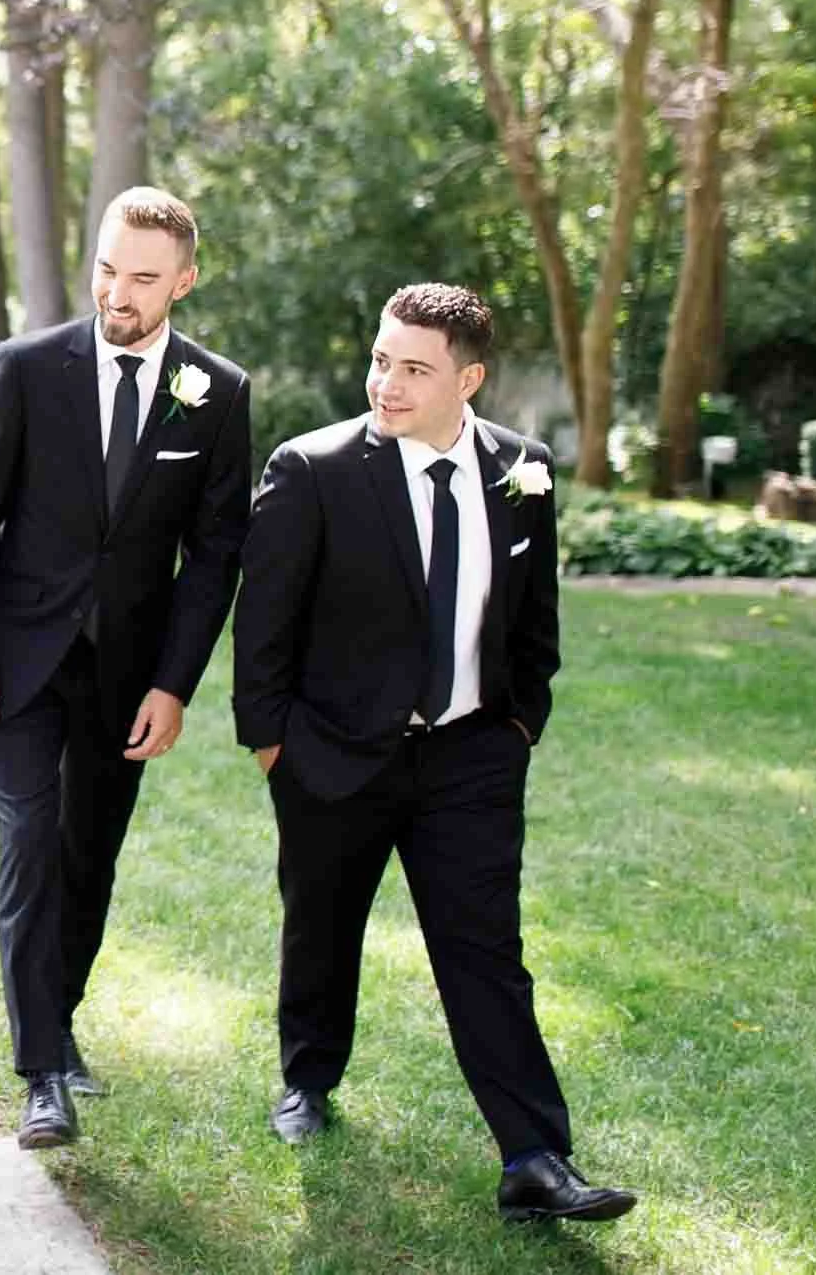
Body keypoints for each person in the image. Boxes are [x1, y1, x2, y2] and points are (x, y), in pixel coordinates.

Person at [232, 283, 636, 1224]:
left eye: (415, 368)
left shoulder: (522, 468)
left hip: (469, 758)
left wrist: (518, 727)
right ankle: (309, 1079)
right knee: (322, 924)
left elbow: (535, 626)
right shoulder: (314, 468)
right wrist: (274, 748)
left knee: (487, 950)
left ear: (470, 377)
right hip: (333, 754)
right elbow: (264, 628)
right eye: (382, 359)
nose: (389, 382)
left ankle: (534, 1156)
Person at [0, 187, 251, 1148]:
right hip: (20, 657)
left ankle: (59, 1022)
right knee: (31, 839)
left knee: (89, 855)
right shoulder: (28, 367)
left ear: (184, 283)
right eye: (109, 268)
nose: (119, 289)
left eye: (144, 277)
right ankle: (42, 1071)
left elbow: (213, 556)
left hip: (127, 675)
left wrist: (173, 683)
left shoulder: (219, 391)